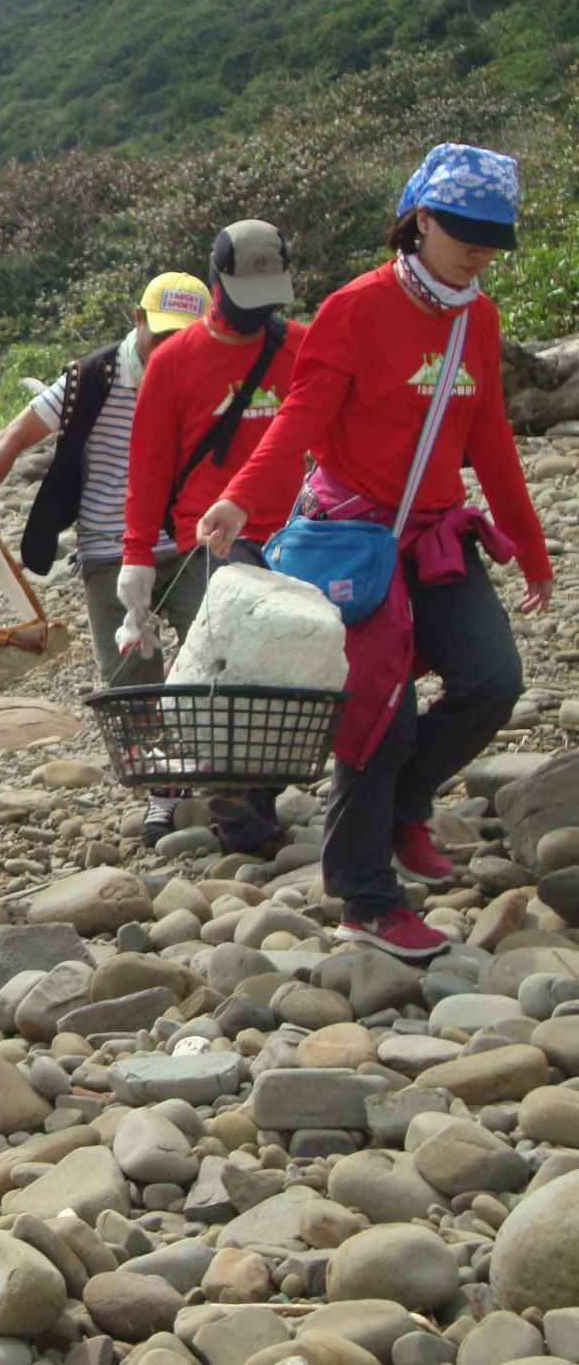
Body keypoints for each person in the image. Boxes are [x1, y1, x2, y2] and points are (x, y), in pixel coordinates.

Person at [199, 143, 553, 959]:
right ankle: (365, 896)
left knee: (493, 679)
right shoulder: (355, 309)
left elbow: (490, 435)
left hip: (436, 533)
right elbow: (302, 420)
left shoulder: (479, 314)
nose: (478, 251)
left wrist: (529, 548)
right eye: (463, 232)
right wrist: (240, 499)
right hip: (353, 539)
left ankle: (405, 809)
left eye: (491, 239)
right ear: (420, 220)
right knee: (376, 716)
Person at [0, 270, 213, 843]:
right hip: (110, 548)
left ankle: (220, 769)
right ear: (137, 321)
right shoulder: (95, 376)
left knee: (219, 648)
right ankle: (160, 790)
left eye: (186, 336)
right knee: (127, 679)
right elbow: (16, 436)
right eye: (162, 335)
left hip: (190, 541)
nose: (172, 347)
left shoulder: (211, 369)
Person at [118, 221, 308, 854]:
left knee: (284, 671)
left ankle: (264, 799)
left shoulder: (300, 347)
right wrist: (137, 557)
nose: (258, 312)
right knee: (230, 677)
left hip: (300, 531)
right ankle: (244, 824)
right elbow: (146, 469)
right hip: (212, 540)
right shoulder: (174, 361)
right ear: (217, 282)